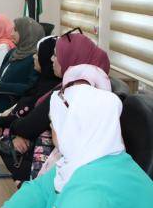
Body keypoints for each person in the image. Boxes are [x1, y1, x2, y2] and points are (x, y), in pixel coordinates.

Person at [0, 86, 153, 208]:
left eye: (55, 122)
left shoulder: (89, 196)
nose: (51, 126)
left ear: (74, 128)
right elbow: (41, 189)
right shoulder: (89, 158)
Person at [7, 31, 110, 180]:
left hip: (50, 169)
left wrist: (13, 127)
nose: (51, 59)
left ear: (71, 57)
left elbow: (31, 126)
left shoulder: (73, 93)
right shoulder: (78, 84)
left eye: (56, 55)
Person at [0, 36, 59, 181]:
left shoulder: (55, 91)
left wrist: (1, 122)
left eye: (38, 54)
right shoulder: (42, 81)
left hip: (32, 158)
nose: (34, 57)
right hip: (21, 140)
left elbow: (29, 125)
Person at [0, 17, 44, 120]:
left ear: (27, 34)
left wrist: (1, 87)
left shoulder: (35, 59)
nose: (11, 34)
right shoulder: (13, 52)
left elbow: (31, 88)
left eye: (15, 30)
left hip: (11, 104)